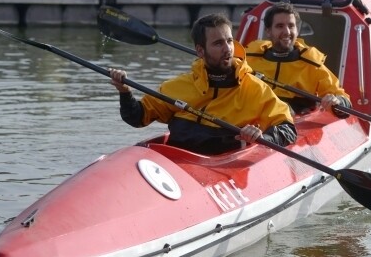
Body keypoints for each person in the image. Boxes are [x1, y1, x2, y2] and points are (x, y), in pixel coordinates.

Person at [110, 12, 297, 155]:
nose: (228, 49)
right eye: (218, 44)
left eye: (230, 41)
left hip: (223, 167)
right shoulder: (177, 86)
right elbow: (137, 118)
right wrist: (124, 92)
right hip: (179, 162)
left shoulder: (254, 89)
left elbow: (288, 129)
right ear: (200, 50)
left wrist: (261, 137)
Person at [245, 2, 351, 116]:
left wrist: (337, 101)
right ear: (268, 31)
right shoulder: (249, 59)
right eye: (280, 26)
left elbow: (343, 99)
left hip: (296, 124)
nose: (287, 32)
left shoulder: (312, 64)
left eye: (291, 26)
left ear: (297, 29)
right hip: (253, 121)